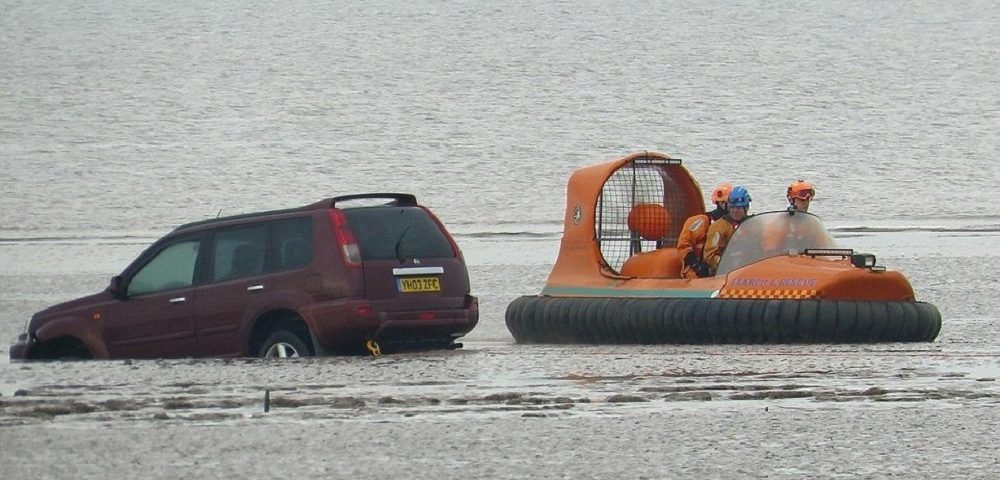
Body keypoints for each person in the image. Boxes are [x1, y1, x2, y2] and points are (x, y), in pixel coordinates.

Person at [676, 182, 732, 278]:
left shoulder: (733, 224)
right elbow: (683, 247)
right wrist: (697, 266)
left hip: (722, 268)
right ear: (719, 203)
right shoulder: (702, 221)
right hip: (697, 272)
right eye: (725, 203)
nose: (732, 208)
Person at [702, 186, 751, 275]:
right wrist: (729, 264)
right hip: (723, 272)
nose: (735, 211)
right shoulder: (719, 227)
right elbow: (709, 256)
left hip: (749, 268)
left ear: (746, 208)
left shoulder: (752, 225)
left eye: (739, 208)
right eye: (732, 208)